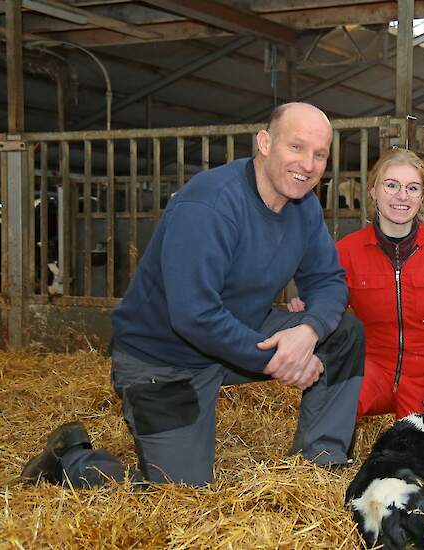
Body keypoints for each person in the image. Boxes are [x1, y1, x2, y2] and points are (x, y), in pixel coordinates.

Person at [22, 103, 364, 488]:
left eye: (320, 154)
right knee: (181, 494)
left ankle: (318, 467)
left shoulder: (304, 207)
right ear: (265, 143)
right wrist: (277, 360)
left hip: (237, 335)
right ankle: (71, 461)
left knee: (341, 333)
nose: (308, 163)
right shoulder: (211, 203)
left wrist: (309, 333)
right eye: (297, 147)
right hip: (164, 360)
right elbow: (193, 315)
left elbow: (330, 281)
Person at [289, 148, 424, 419]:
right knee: (328, 408)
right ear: (374, 191)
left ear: (422, 197)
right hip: (373, 367)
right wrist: (308, 304)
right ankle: (326, 457)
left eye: (412, 188)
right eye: (391, 185)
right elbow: (327, 299)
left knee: (417, 450)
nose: (402, 196)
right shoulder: (348, 251)